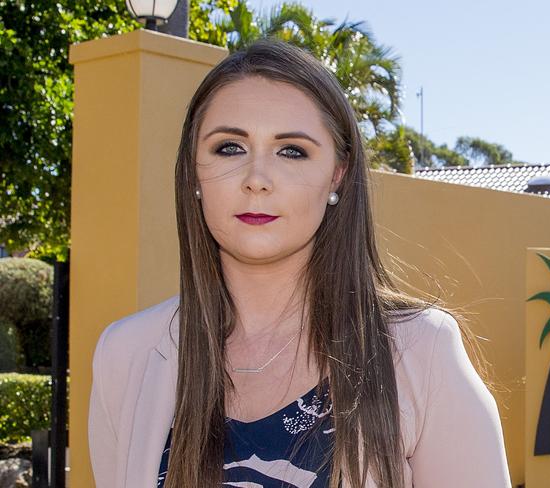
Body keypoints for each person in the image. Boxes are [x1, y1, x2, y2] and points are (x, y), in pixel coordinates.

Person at [88, 37, 512, 488]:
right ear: (193, 170)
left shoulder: (420, 351)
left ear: (337, 174)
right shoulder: (126, 354)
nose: (257, 180)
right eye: (229, 147)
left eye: (292, 151)